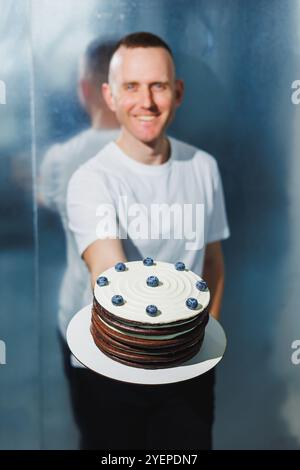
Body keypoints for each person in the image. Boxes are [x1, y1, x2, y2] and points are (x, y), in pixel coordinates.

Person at [67, 31, 230, 450]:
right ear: (109, 95)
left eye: (158, 86)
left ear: (177, 92)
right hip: (111, 365)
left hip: (187, 363)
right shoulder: (91, 179)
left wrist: (201, 340)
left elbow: (213, 262)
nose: (148, 102)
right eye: (132, 87)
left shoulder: (204, 167)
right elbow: (107, 273)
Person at [39, 38, 119, 338]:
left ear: (85, 90)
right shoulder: (163, 155)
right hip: (146, 323)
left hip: (79, 316)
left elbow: (45, 196)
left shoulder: (59, 159)